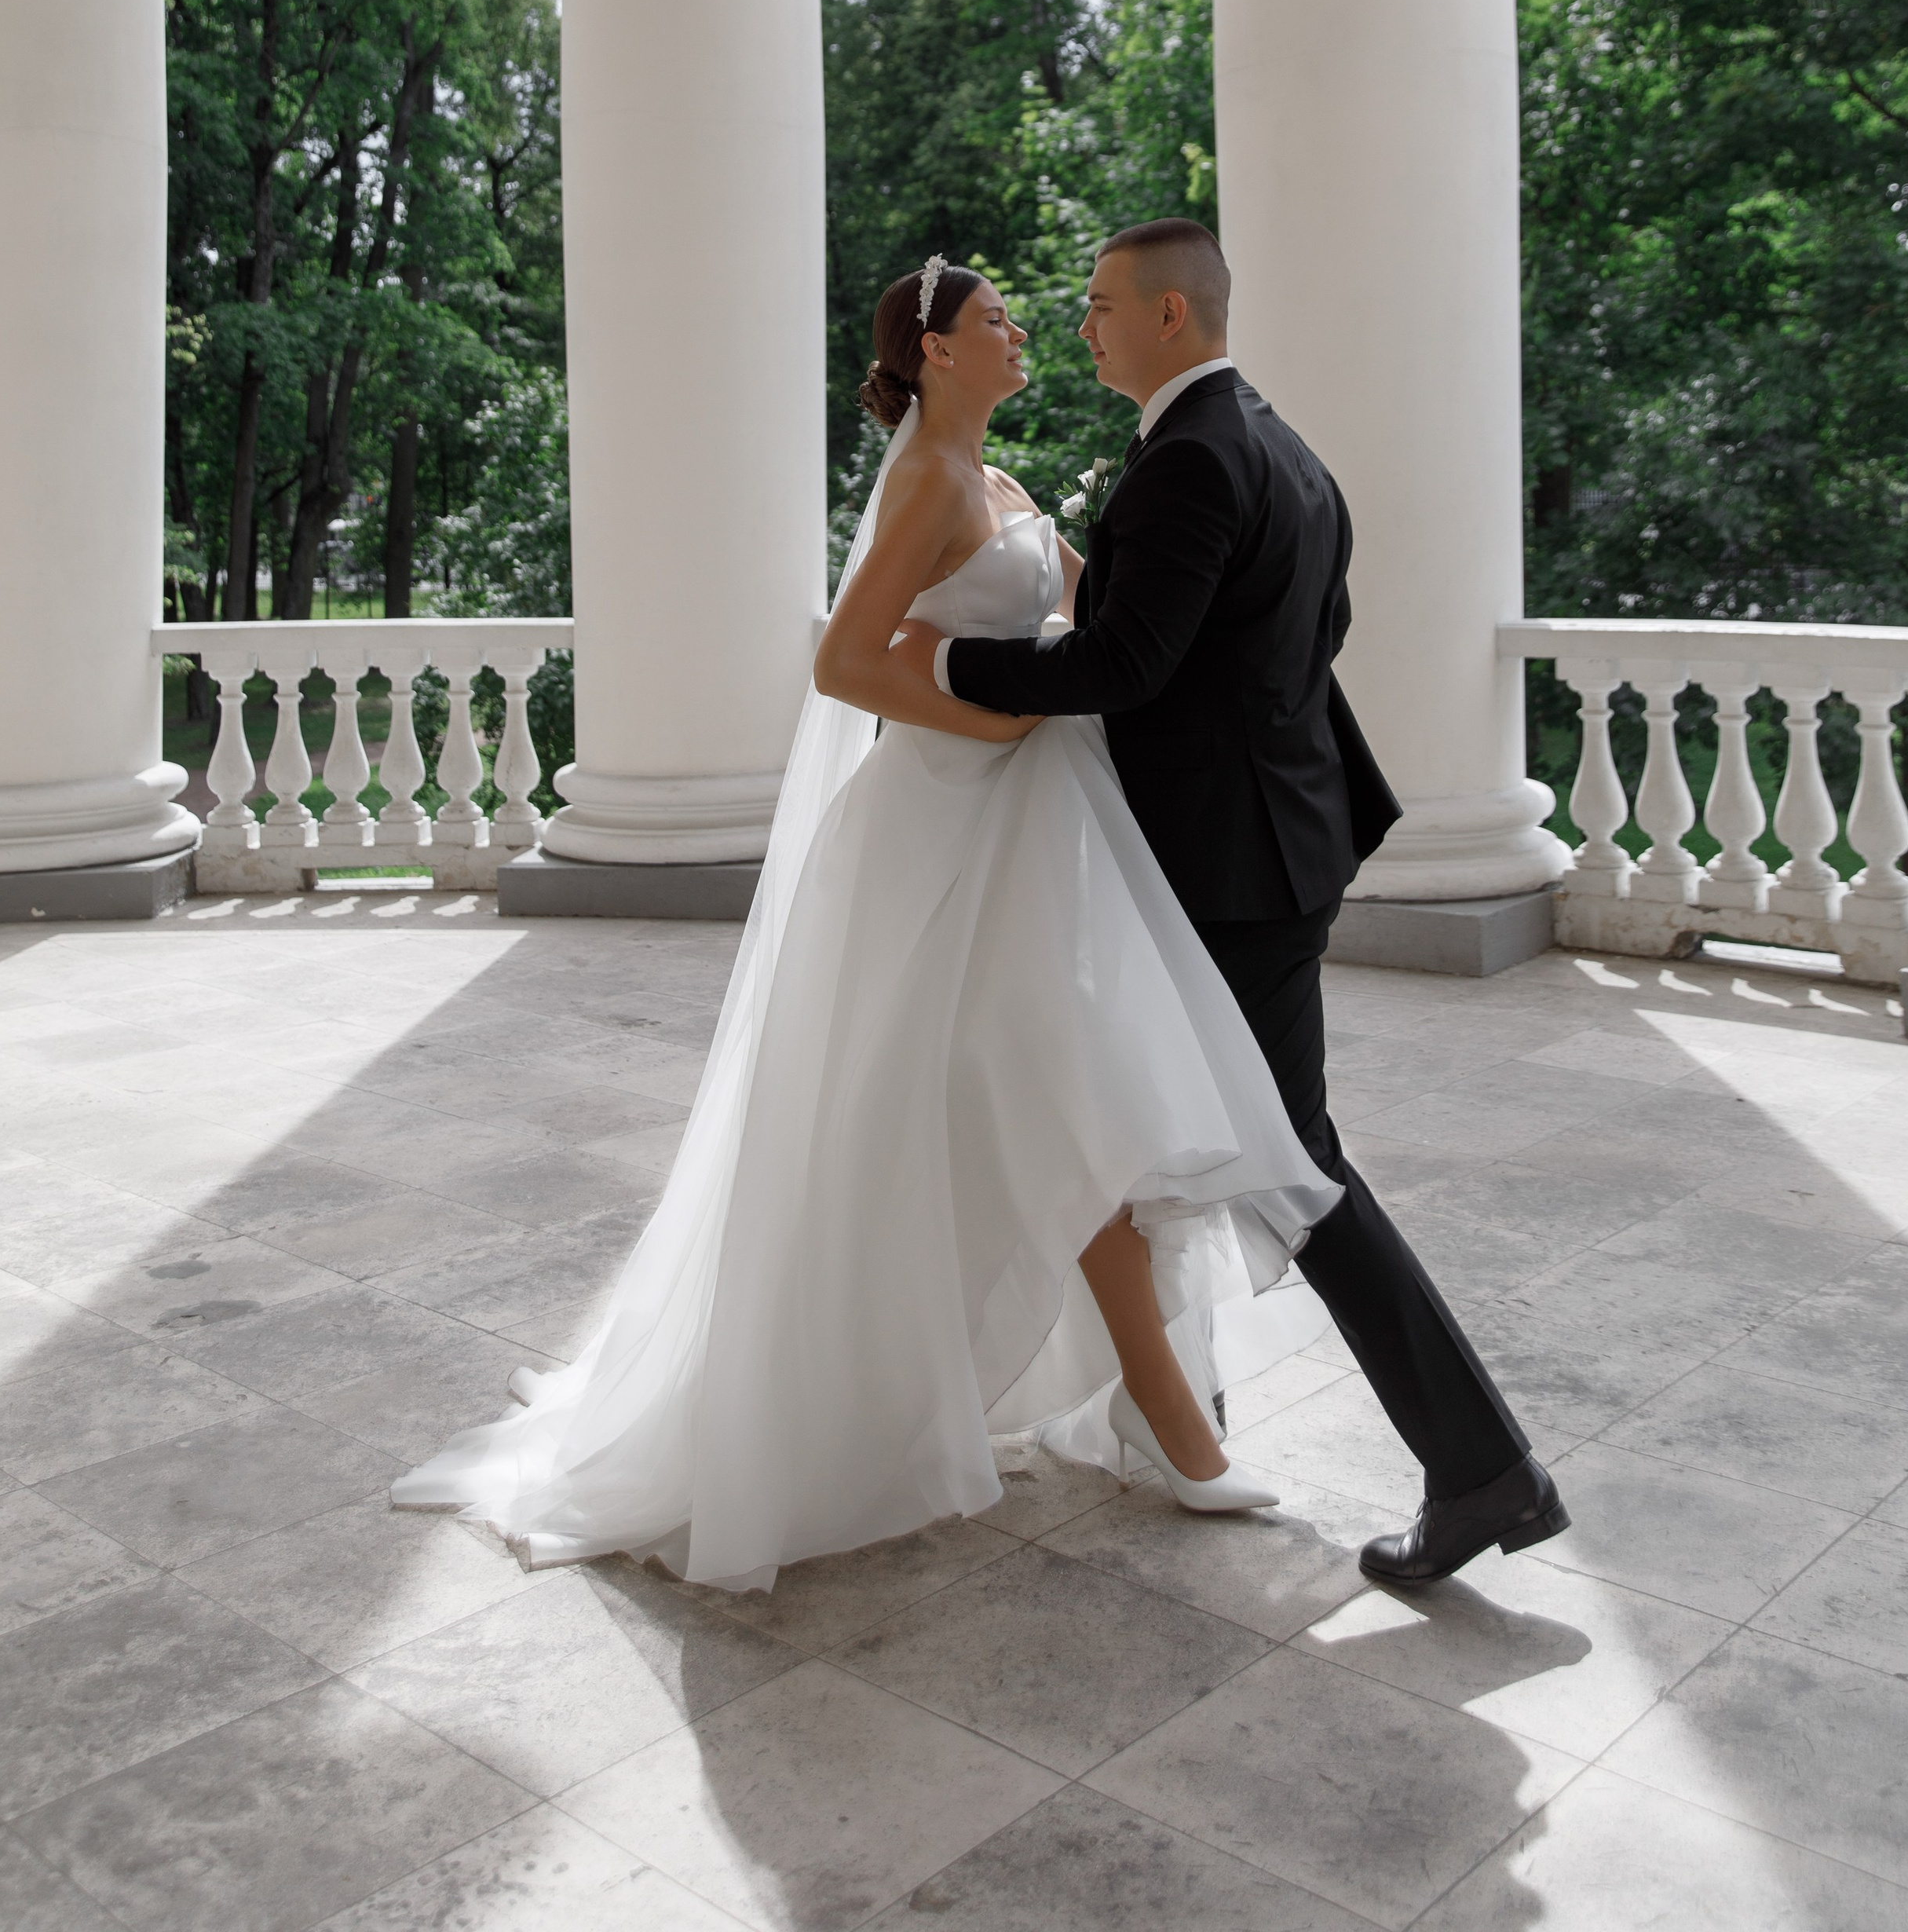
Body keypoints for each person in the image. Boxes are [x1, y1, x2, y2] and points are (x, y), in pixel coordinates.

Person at [393, 258, 1342, 1591]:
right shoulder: (931, 487)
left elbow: (1113, 642)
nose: (1025, 333)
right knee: (1075, 1113)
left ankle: (1141, 1406)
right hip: (948, 828)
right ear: (935, 353)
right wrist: (997, 708)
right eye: (996, 319)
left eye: (1024, 314)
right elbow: (846, 665)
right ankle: (1165, 1423)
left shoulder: (1005, 486)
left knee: (1080, 1112)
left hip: (1045, 834)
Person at [896, 218, 1569, 1586]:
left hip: (1234, 873)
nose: (1076, 323)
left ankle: (1480, 1467)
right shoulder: (1273, 444)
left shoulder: (1190, 460)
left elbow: (1126, 666)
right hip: (1279, 851)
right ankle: (1173, 1410)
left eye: (1094, 304)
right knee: (1139, 1124)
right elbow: (1306, 637)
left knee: (1293, 1169)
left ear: (1166, 317)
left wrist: (954, 673)